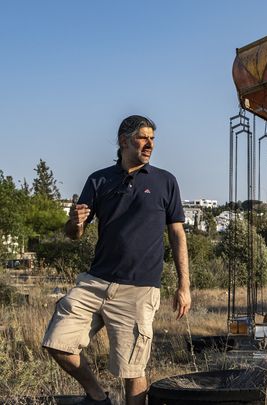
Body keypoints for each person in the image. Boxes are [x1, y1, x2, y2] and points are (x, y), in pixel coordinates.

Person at [42, 115, 191, 405]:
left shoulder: (165, 181)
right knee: (57, 342)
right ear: (124, 141)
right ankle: (98, 398)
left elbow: (177, 234)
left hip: (138, 288)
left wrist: (184, 285)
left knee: (131, 370)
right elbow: (74, 234)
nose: (149, 144)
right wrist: (75, 221)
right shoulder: (98, 179)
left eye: (152, 139)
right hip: (95, 282)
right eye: (142, 138)